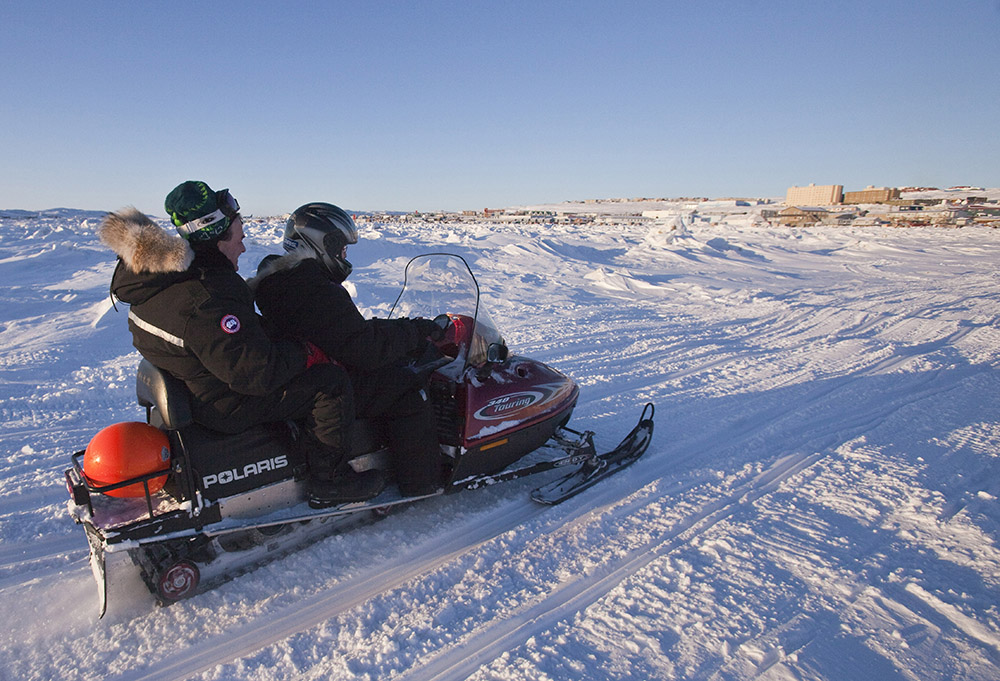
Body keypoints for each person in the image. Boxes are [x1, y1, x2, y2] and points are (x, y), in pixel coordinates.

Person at [98, 181, 384, 508]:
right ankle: (330, 480)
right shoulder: (205, 295)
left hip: (197, 385)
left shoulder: (157, 279)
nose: (244, 247)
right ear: (217, 235)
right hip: (222, 403)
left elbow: (224, 341)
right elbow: (257, 372)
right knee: (329, 385)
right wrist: (304, 353)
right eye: (239, 234)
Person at [248, 203, 446, 497]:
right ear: (320, 244)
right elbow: (364, 349)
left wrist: (406, 329)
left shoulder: (282, 281)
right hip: (327, 379)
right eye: (340, 248)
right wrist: (415, 334)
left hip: (311, 371)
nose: (344, 256)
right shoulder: (312, 287)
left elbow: (344, 331)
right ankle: (423, 482)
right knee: (406, 384)